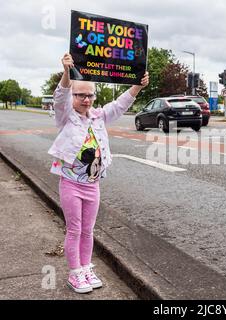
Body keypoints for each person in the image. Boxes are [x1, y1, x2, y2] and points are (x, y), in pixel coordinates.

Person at [48, 53, 149, 293]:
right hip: (71, 184)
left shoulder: (98, 117)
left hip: (93, 185)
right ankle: (75, 274)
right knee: (74, 229)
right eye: (80, 95)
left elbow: (120, 104)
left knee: (88, 230)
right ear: (73, 96)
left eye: (89, 95)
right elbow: (60, 98)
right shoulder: (66, 117)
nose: (85, 99)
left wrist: (137, 85)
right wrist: (66, 73)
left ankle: (85, 268)